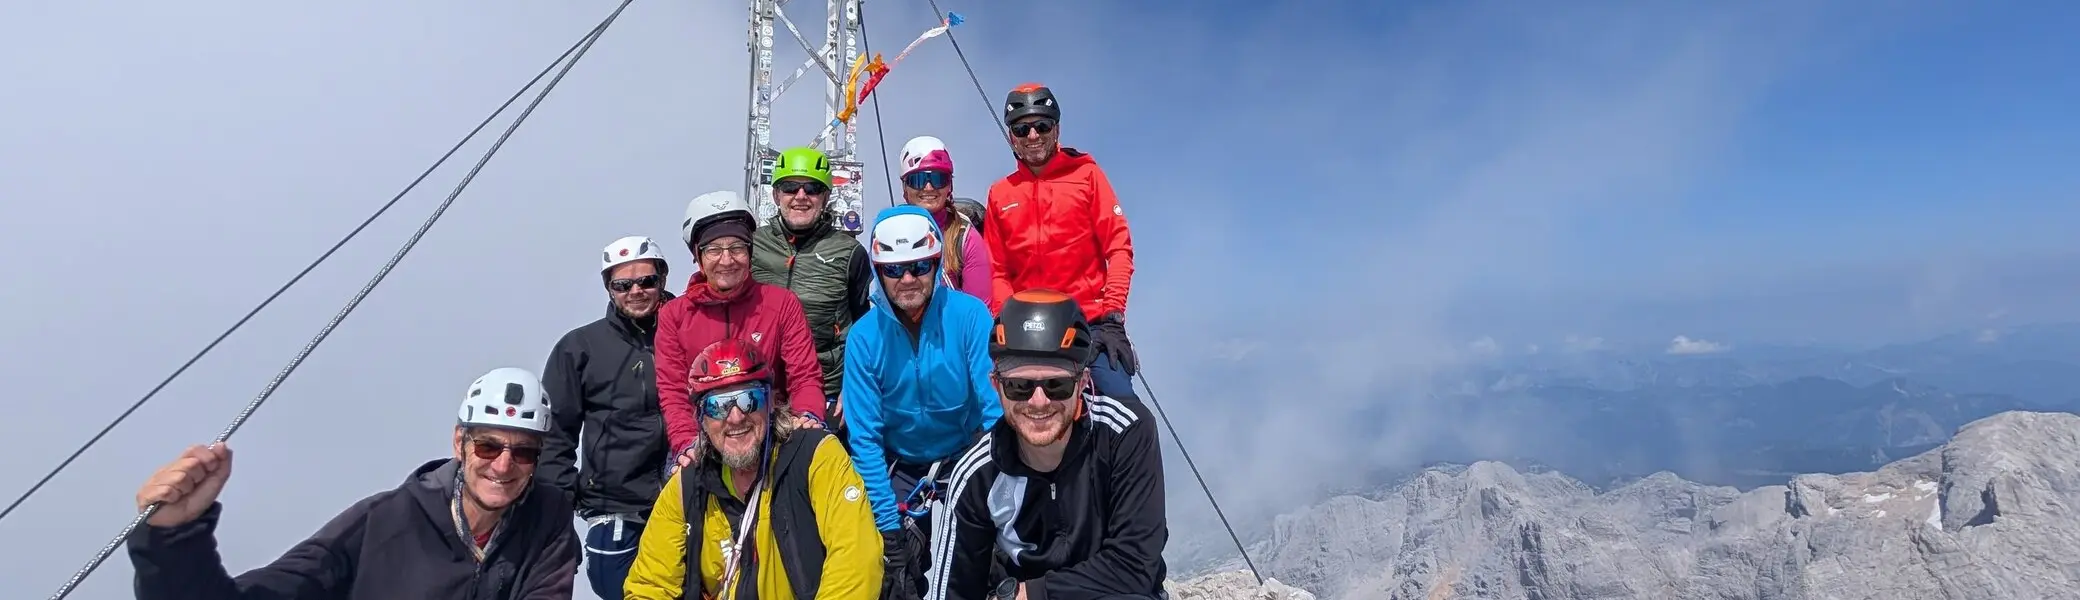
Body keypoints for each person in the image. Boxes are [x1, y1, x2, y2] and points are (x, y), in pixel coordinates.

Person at [126, 368, 582, 599]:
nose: (504, 466)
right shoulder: (382, 522)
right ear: (459, 441)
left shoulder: (548, 524)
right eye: (488, 447)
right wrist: (174, 538)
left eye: (523, 452)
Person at [925, 290, 1169, 600]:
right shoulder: (977, 474)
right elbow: (953, 592)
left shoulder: (1125, 434)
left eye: (1057, 385)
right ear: (996, 386)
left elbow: (1135, 567)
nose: (1039, 402)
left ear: (1082, 383)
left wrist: (1030, 593)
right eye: (1019, 387)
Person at [624, 339, 882, 600]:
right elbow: (649, 586)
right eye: (719, 405)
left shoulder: (815, 457)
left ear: (770, 403)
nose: (736, 417)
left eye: (749, 400)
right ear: (701, 418)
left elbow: (856, 560)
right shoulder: (688, 486)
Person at [841, 205, 1003, 599]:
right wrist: (887, 527)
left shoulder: (969, 316)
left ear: (935, 264)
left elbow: (994, 410)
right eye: (894, 270)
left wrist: (994, 486)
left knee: (989, 562)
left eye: (919, 267)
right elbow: (865, 438)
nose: (908, 279)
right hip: (903, 467)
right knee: (889, 572)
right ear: (880, 273)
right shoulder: (864, 338)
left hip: (965, 457)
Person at [981, 83, 1141, 401]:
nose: (1032, 136)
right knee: (1009, 420)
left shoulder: (1087, 176)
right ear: (1011, 136)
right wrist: (1004, 322)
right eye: (1022, 128)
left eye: (1042, 125)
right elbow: (998, 271)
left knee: (1126, 412)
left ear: (1056, 129)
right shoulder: (1000, 195)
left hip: (1089, 324)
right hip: (1027, 330)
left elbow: (1119, 248)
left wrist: (1113, 317)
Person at [538, 235, 677, 598]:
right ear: (609, 288)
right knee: (616, 587)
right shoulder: (579, 349)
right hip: (615, 503)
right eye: (623, 284)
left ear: (662, 279)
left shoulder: (688, 332)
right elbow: (555, 439)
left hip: (688, 494)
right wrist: (555, 521)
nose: (636, 291)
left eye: (646, 281)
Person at [659, 190, 830, 471]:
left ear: (750, 252)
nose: (727, 260)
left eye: (737, 248)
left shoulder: (780, 304)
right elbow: (674, 390)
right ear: (698, 257)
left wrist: (808, 415)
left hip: (769, 430)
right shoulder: (674, 316)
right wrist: (686, 442)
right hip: (707, 434)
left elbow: (804, 374)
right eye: (714, 250)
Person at [750, 146, 874, 428]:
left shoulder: (849, 252)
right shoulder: (752, 245)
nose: (801, 197)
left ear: (826, 197)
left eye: (813, 188)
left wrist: (855, 385)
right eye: (790, 187)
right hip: (760, 385)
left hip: (826, 386)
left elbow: (866, 326)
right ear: (775, 194)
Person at [896, 136, 992, 300]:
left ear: (949, 186)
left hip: (952, 325)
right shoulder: (890, 233)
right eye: (918, 180)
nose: (928, 187)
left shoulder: (965, 238)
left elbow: (979, 311)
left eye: (938, 179)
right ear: (905, 189)